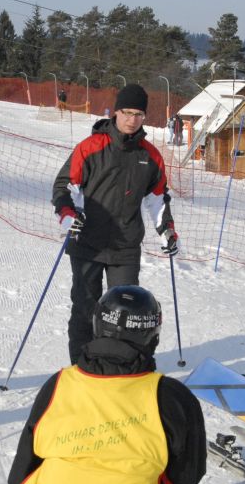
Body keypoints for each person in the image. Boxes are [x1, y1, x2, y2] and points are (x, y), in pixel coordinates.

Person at [8, 285, 210, 484]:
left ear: (96, 325)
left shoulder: (58, 385)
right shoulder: (171, 397)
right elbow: (185, 480)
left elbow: (22, 472)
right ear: (153, 335)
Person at [52, 83, 178, 364]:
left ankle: (118, 367)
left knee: (125, 312)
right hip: (87, 242)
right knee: (86, 308)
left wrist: (167, 230)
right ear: (116, 112)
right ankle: (82, 365)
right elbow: (65, 186)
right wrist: (68, 214)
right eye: (127, 112)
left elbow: (158, 198)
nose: (132, 120)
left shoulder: (150, 156)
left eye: (139, 114)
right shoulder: (91, 147)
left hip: (125, 247)